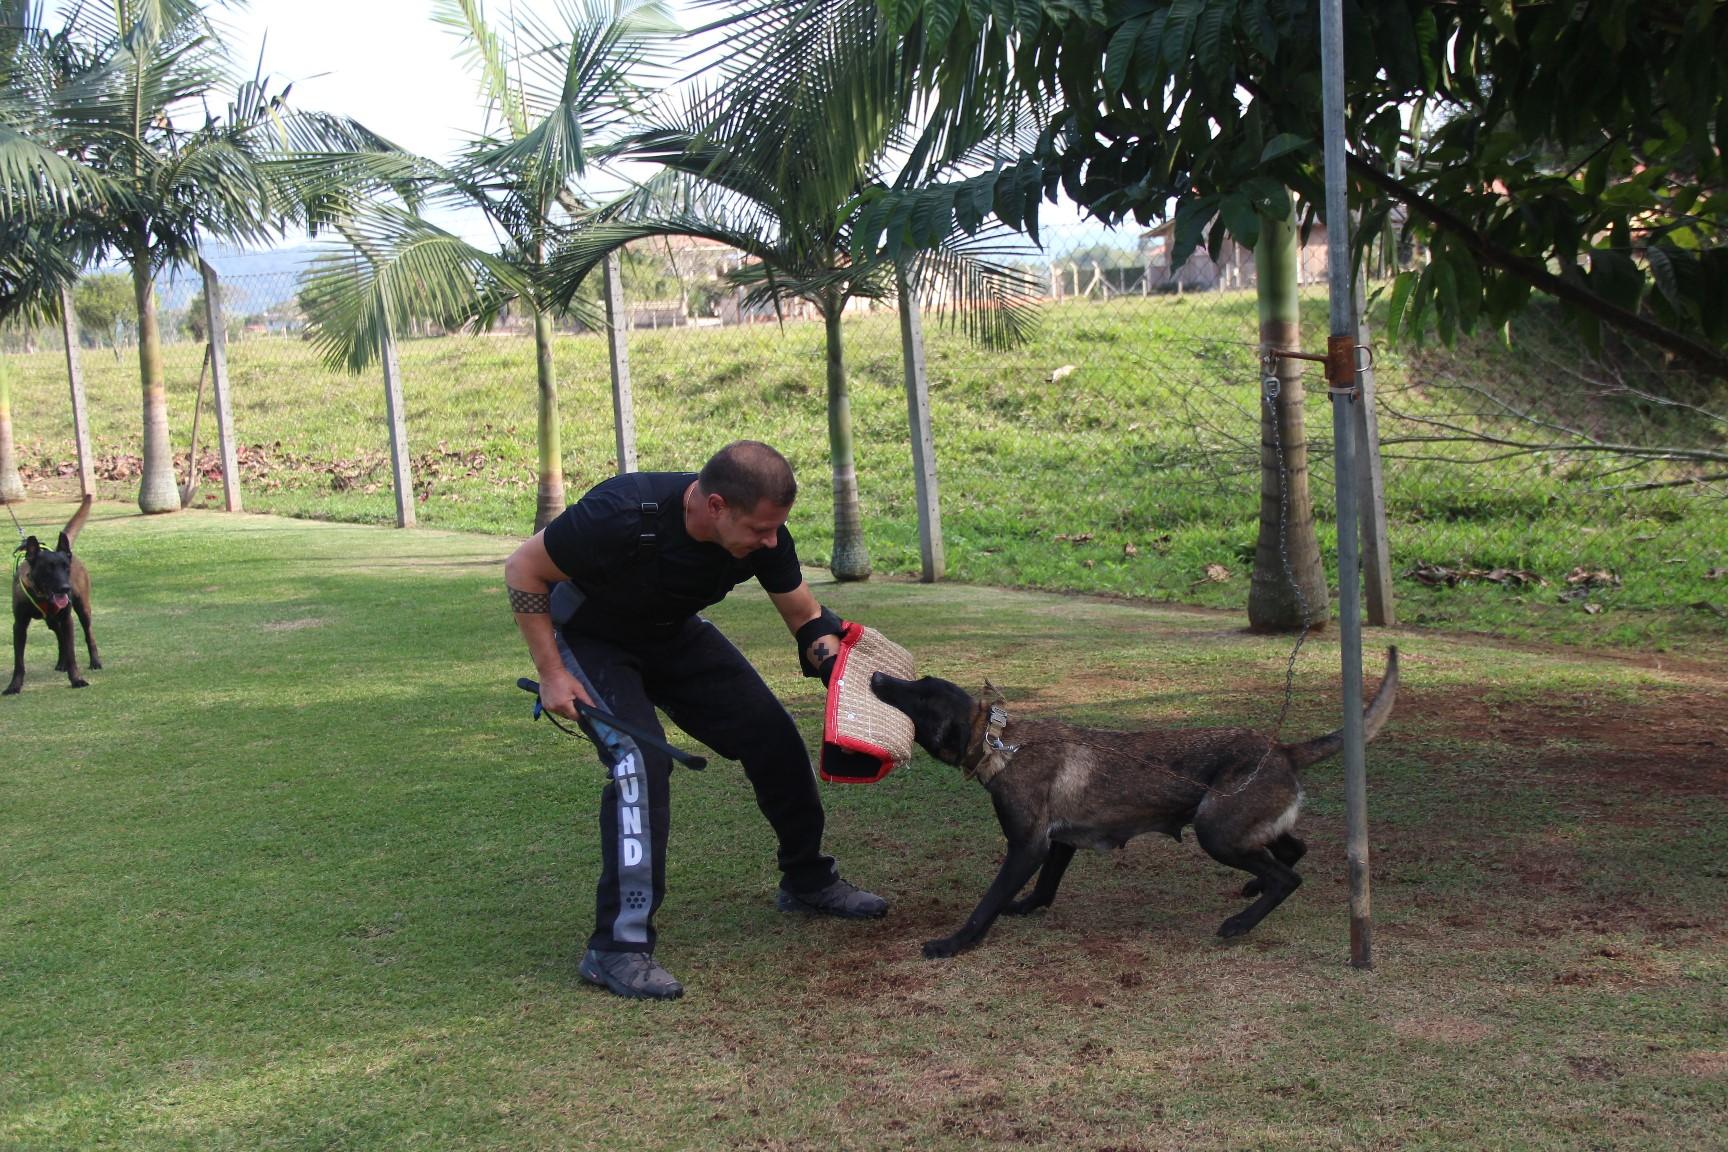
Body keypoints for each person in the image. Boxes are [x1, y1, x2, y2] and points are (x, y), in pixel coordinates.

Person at [504, 440, 886, 1000]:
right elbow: (524, 568)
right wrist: (553, 672)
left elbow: (806, 619)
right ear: (714, 506)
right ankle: (617, 948)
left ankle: (807, 880)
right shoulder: (621, 513)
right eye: (759, 529)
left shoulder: (762, 531)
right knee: (641, 763)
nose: (771, 541)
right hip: (592, 640)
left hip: (672, 634)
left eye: (776, 529)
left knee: (772, 735)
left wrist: (850, 678)